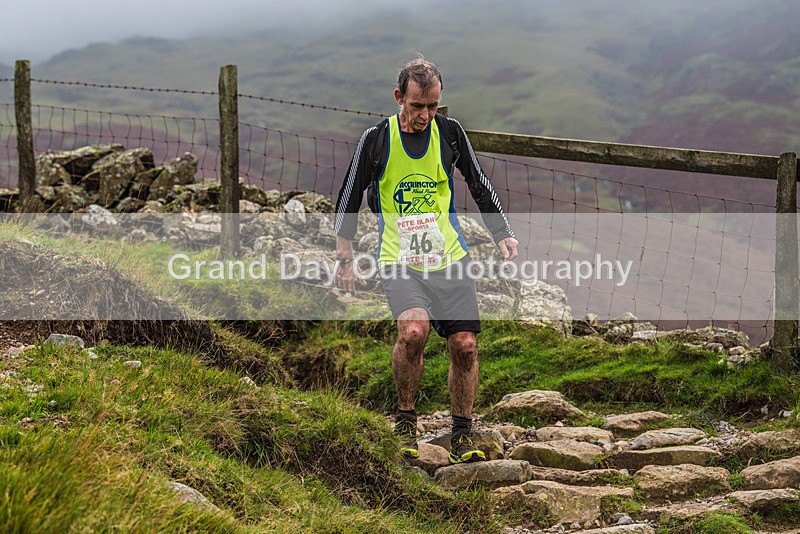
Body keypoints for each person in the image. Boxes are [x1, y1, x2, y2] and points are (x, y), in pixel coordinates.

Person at [333, 58, 518, 464]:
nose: (425, 115)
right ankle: (404, 421)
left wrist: (502, 231)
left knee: (465, 346)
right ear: (399, 97)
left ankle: (462, 433)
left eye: (433, 106)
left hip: (449, 257)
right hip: (399, 259)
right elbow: (349, 195)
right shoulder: (376, 139)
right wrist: (344, 257)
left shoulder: (449, 133)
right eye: (417, 106)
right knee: (413, 332)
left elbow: (479, 182)